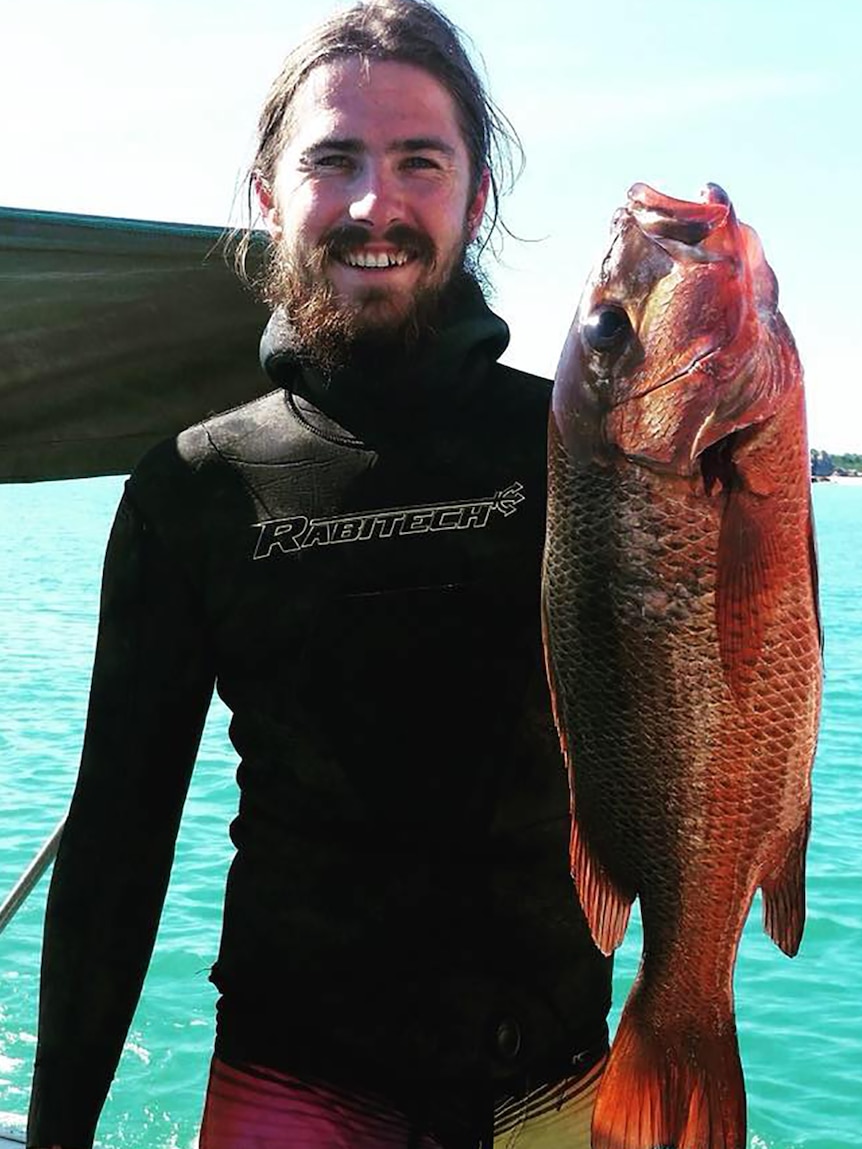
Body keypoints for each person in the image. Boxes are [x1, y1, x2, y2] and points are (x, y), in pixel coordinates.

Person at [27, 2, 613, 1146]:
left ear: (476, 196)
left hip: (559, 1079)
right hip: (291, 1088)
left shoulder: (581, 454)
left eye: (417, 163)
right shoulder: (196, 486)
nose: (371, 205)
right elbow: (114, 847)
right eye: (332, 160)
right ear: (268, 195)